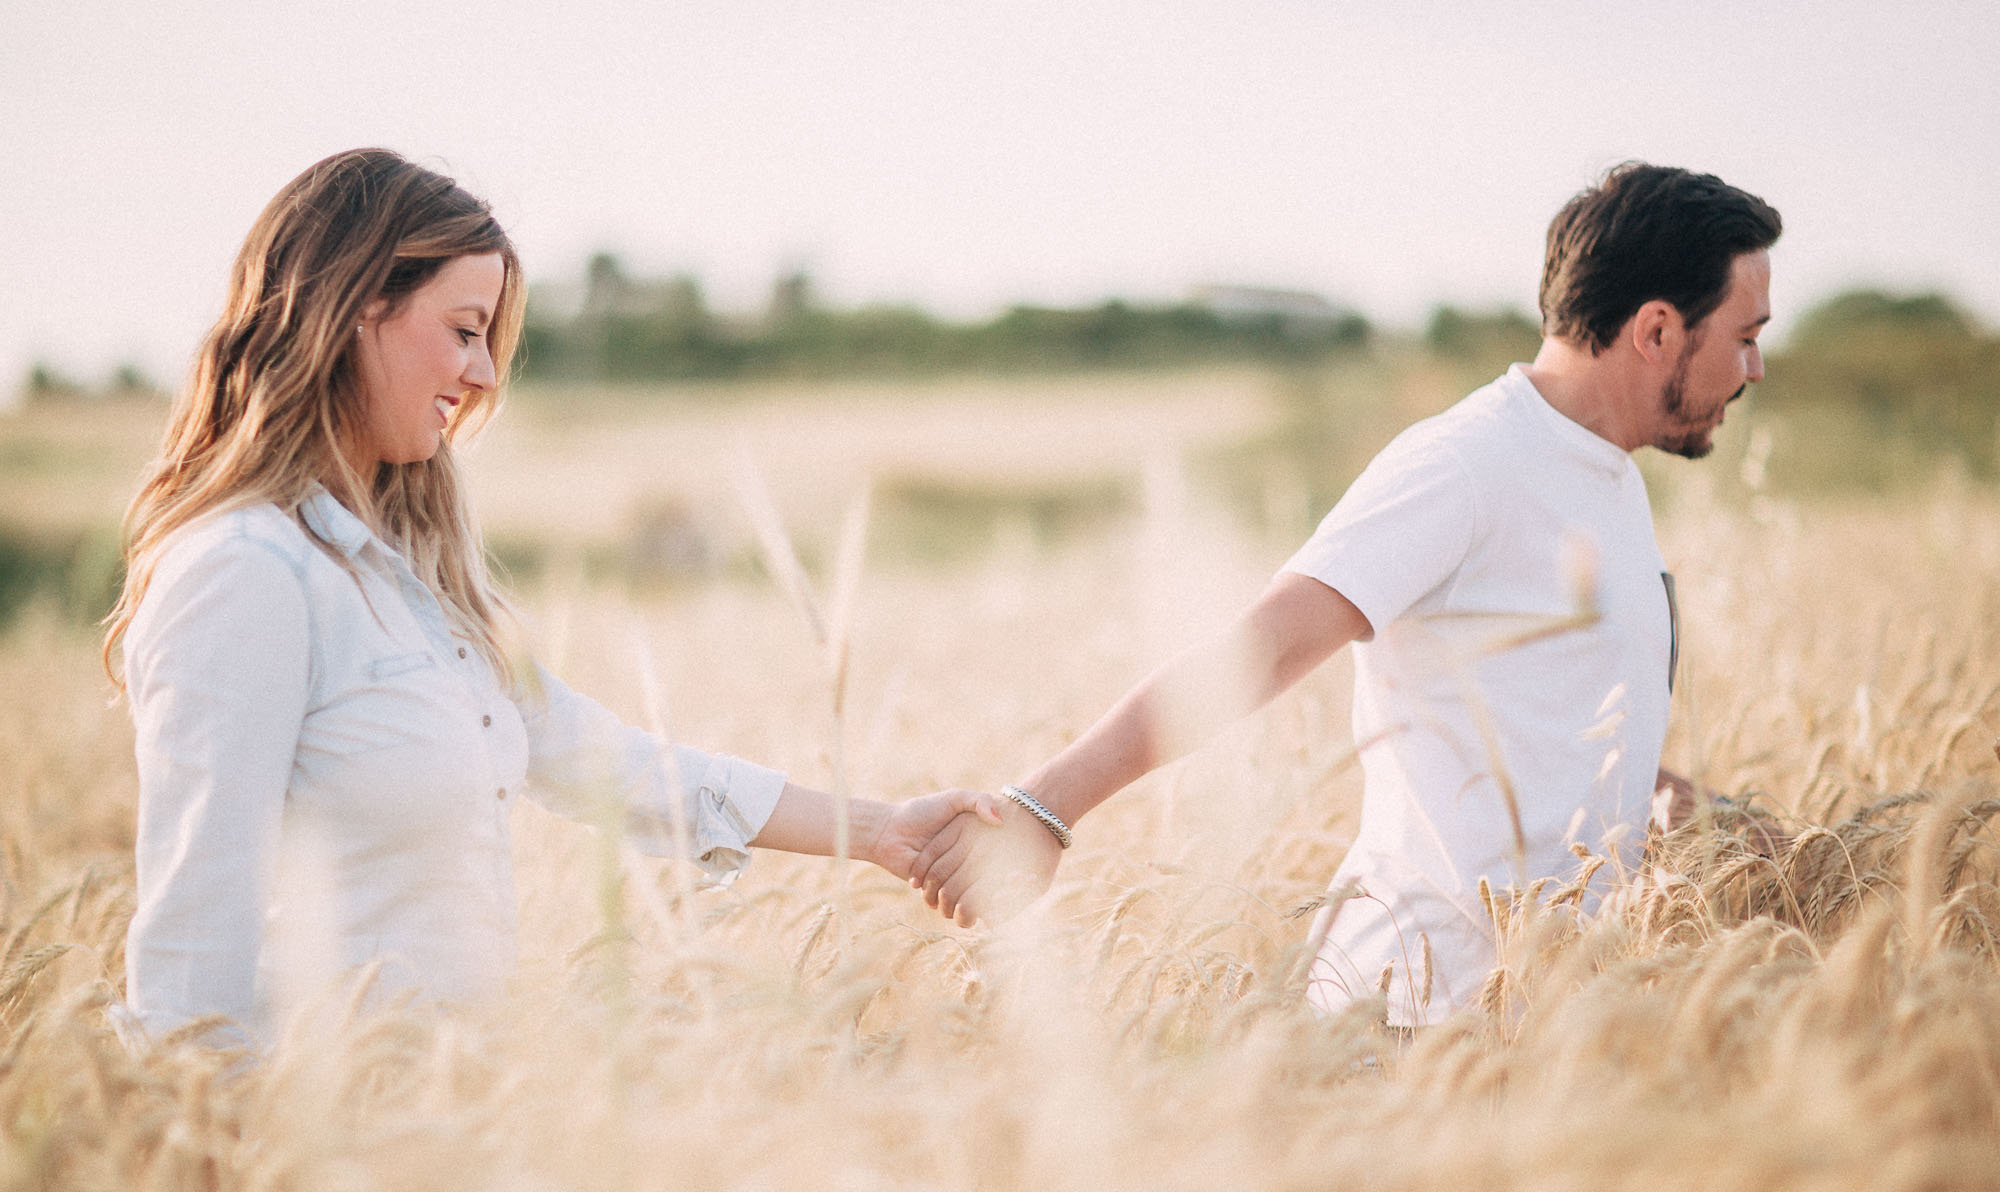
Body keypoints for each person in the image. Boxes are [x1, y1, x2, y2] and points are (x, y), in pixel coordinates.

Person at [103, 148, 1000, 1048]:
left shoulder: (411, 579)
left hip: (435, 1137)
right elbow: (191, 943)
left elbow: (614, 763)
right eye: (463, 330)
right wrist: (207, 1146)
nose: (487, 374)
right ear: (355, 309)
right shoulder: (243, 573)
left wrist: (882, 832)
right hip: (305, 1140)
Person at [912, 163, 1781, 1028]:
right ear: (1658, 329)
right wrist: (1041, 810)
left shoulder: (1613, 484)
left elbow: (1567, 745)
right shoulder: (1464, 465)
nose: (1756, 365)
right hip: (1414, 1018)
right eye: (1744, 334)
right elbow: (1258, 649)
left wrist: (1765, 842)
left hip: (1550, 1017)